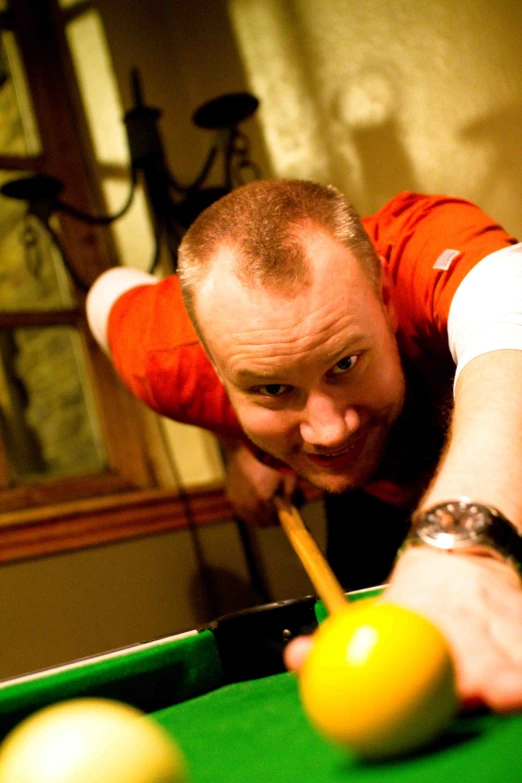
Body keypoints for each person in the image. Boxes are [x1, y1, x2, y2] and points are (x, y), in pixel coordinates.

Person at [87, 180, 522, 712]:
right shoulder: (166, 359)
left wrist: (459, 546)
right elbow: (104, 290)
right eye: (271, 388)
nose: (328, 430)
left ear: (384, 299)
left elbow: (510, 320)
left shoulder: (419, 253)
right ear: (211, 362)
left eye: (344, 364)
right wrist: (240, 444)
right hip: (374, 498)